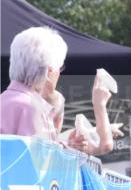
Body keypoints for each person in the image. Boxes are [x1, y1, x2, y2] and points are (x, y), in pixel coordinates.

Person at [1, 26, 113, 154]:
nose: (59, 74)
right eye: (60, 68)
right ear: (49, 71)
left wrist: (65, 145)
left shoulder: (6, 101)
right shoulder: (31, 108)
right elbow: (39, 163)